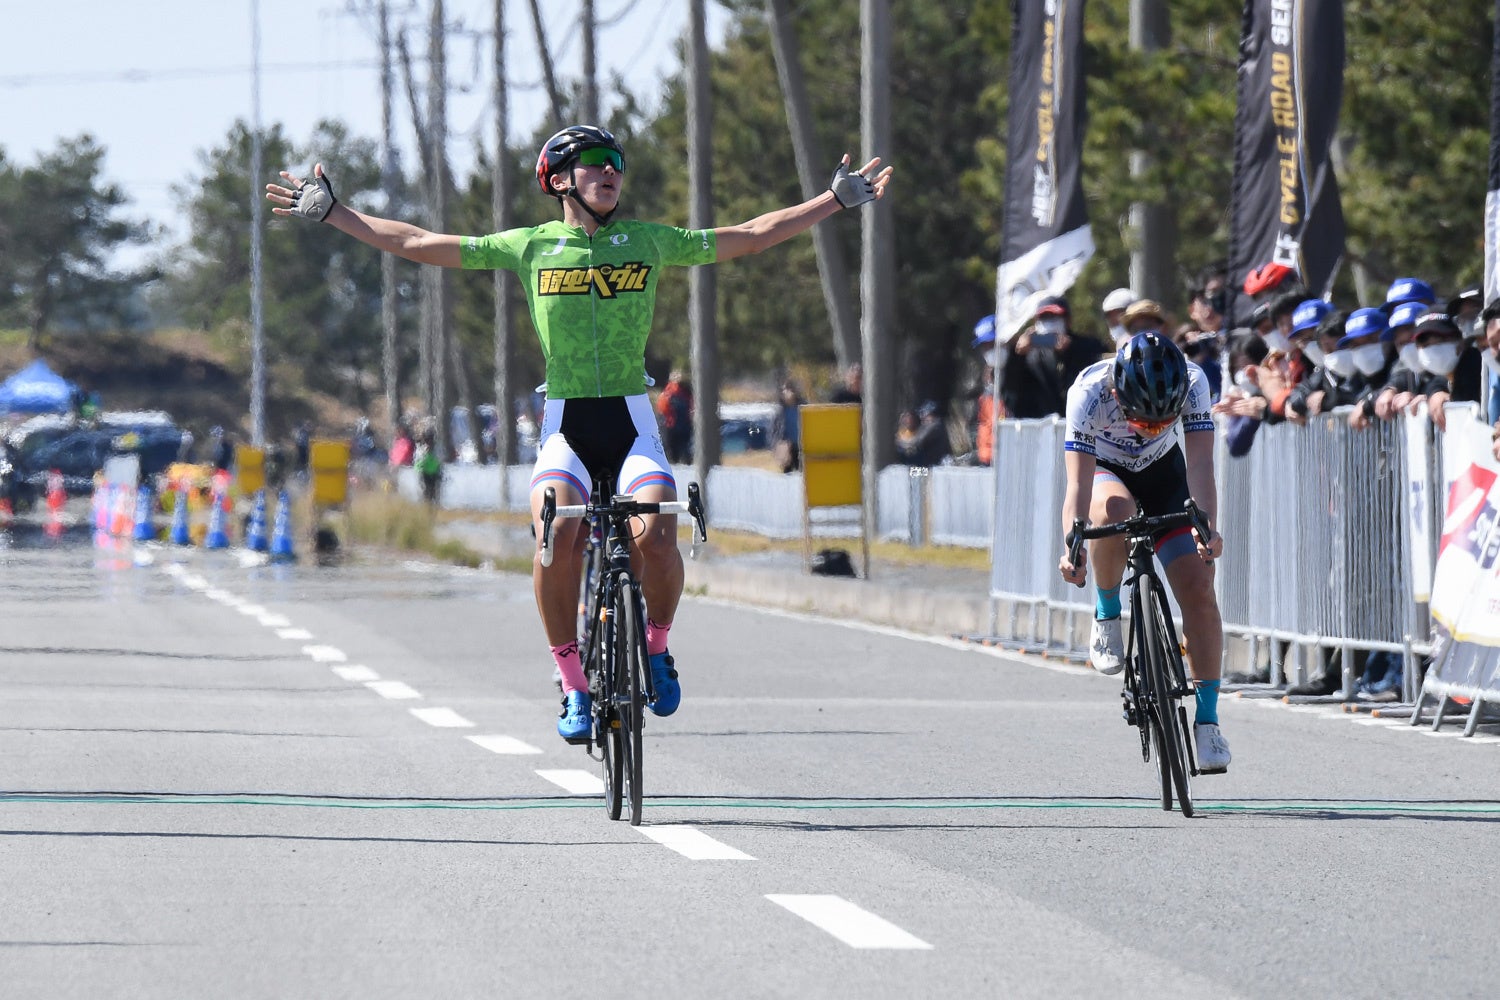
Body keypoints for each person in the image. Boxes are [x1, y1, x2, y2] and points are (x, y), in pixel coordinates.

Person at [268, 124, 892, 742]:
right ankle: (572, 681)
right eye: (594, 164)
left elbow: (753, 236)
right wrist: (337, 215)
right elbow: (419, 241)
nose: (609, 172)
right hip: (566, 421)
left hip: (630, 418)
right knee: (557, 529)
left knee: (660, 528)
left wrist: (833, 202)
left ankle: (657, 647)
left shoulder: (648, 242)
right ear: (559, 179)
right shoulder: (530, 246)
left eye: (615, 163)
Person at [1056, 303, 1232, 773]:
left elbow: (1199, 466)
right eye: (1143, 420)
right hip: (1109, 473)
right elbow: (1077, 485)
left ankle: (1209, 722)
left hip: (1166, 475)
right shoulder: (1088, 395)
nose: (1152, 429)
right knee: (1114, 511)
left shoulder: (1193, 383)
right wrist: (1070, 547)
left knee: (1198, 589)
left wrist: (1207, 529)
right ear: (1118, 392)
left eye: (1162, 421)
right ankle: (1108, 608)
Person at [656, 370, 694, 464]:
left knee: (681, 451)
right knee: (674, 451)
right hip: (673, 426)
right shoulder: (667, 394)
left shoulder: (686, 392)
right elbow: (662, 410)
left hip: (681, 426)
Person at [896, 400, 949, 467]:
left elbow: (917, 441)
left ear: (931, 414)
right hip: (928, 459)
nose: (921, 416)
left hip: (931, 461)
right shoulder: (929, 426)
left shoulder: (934, 426)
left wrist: (901, 442)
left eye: (924, 413)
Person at [770, 380, 803, 473]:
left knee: (802, 474)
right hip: (786, 447)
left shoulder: (803, 407)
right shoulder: (780, 411)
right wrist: (775, 446)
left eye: (788, 390)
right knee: (786, 474)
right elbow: (774, 430)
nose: (786, 392)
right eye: (784, 390)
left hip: (801, 446)